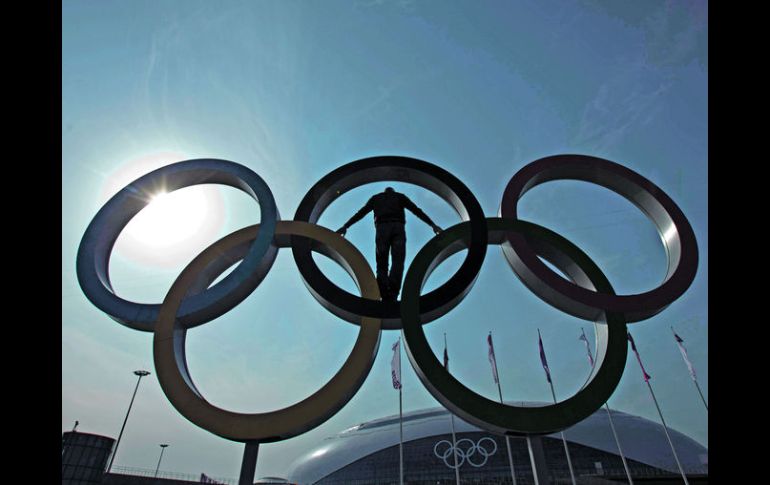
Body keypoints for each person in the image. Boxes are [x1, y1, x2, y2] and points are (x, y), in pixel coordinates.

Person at [336, 187, 442, 301]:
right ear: (392, 191)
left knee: (382, 263)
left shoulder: (377, 198)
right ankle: (392, 292)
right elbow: (416, 210)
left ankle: (383, 292)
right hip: (397, 227)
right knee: (398, 261)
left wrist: (346, 226)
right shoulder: (399, 196)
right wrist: (432, 225)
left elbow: (361, 212)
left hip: (382, 228)